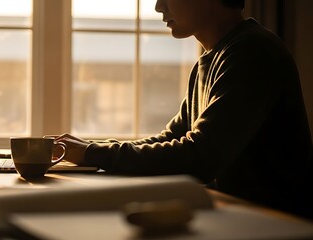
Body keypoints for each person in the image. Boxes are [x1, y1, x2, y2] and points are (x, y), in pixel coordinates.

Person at [54, 0, 313, 219]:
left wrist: (94, 154)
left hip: (274, 223)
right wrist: (91, 150)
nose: (158, 7)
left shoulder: (253, 52)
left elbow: (199, 156)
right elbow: (172, 139)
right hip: (239, 217)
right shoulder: (212, 59)